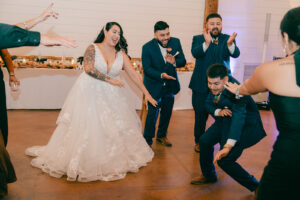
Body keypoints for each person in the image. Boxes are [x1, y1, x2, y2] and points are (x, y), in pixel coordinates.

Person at [25, 22, 157, 182]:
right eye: (114, 31)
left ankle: (109, 160)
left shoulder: (120, 53)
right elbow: (88, 68)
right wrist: (110, 79)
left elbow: (134, 75)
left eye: (119, 33)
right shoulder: (93, 48)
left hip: (112, 98)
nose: (116, 35)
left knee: (112, 129)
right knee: (89, 128)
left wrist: (147, 94)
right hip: (89, 93)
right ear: (105, 31)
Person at [225, 7, 300, 200]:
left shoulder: (269, 70)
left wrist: (237, 90)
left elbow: (245, 89)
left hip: (288, 158)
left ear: (285, 37)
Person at [190, 64, 266, 194]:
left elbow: (238, 118)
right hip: (224, 121)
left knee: (225, 160)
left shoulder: (238, 91)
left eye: (216, 84)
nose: (212, 87)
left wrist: (228, 146)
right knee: (204, 141)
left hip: (244, 126)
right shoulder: (215, 84)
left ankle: (256, 187)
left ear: (226, 80)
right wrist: (218, 111)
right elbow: (208, 103)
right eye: (209, 83)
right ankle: (209, 175)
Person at [189, 13, 240, 152]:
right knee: (200, 116)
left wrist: (230, 45)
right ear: (206, 25)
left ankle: (225, 142)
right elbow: (195, 53)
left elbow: (235, 54)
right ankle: (199, 141)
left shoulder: (227, 39)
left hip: (221, 87)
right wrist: (206, 43)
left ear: (221, 25)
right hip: (200, 85)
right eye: (212, 23)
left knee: (223, 115)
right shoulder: (198, 38)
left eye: (218, 23)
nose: (215, 26)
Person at [142, 21, 186, 147]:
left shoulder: (175, 42)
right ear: (155, 34)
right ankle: (147, 141)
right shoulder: (147, 47)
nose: (166, 37)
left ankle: (161, 136)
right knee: (152, 114)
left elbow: (182, 60)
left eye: (167, 34)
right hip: (154, 85)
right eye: (162, 35)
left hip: (170, 85)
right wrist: (161, 75)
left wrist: (174, 62)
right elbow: (147, 69)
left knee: (167, 112)